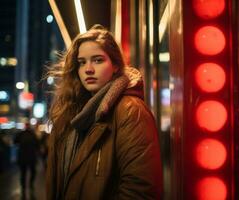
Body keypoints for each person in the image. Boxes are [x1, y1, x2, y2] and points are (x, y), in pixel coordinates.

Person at [46, 24, 163, 200]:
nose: (88, 69)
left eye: (98, 60)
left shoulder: (130, 110)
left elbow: (140, 191)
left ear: (116, 65)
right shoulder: (74, 114)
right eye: (82, 62)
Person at [14, 122, 39, 197]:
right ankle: (30, 185)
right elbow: (37, 144)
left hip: (23, 157)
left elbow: (15, 141)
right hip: (31, 157)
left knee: (23, 173)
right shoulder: (32, 134)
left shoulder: (21, 134)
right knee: (32, 172)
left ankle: (24, 186)